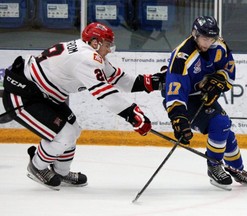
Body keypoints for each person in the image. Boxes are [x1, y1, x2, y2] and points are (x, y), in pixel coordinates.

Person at [2, 22, 165, 190]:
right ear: (95, 42)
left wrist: (152, 82)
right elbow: (106, 95)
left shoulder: (88, 53)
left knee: (73, 129)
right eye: (107, 45)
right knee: (64, 135)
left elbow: (120, 80)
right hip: (22, 96)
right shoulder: (86, 58)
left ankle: (61, 171)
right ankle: (37, 166)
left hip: (44, 95)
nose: (109, 49)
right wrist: (133, 115)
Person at [163, 16, 247, 190]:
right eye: (204, 38)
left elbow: (228, 71)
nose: (208, 42)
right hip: (184, 100)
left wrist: (219, 83)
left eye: (211, 38)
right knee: (221, 123)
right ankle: (214, 166)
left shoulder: (219, 46)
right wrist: (179, 117)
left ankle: (237, 170)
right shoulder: (182, 57)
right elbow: (174, 92)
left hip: (201, 94)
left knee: (224, 132)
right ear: (195, 34)